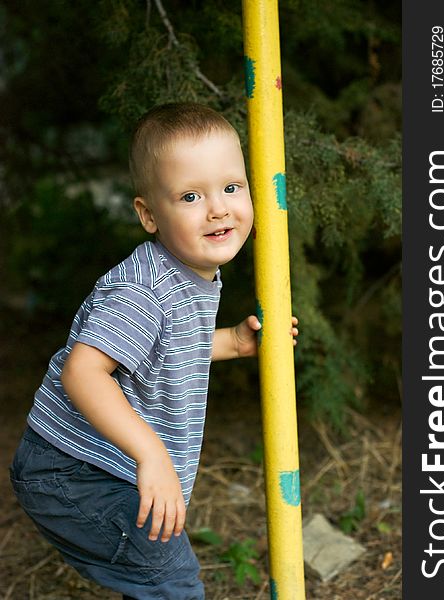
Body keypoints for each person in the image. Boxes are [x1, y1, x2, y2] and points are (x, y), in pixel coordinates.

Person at [9, 102, 298, 600]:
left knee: (155, 576)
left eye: (232, 187)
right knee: (169, 579)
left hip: (100, 466)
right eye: (190, 196)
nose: (218, 209)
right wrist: (151, 453)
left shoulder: (190, 275)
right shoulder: (144, 289)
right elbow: (84, 373)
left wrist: (232, 341)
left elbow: (163, 349)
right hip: (73, 469)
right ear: (148, 214)